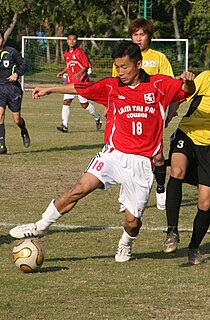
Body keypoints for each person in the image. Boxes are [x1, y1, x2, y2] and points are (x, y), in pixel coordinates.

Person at [9, 41, 195, 263]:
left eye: (125, 67)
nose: (121, 72)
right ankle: (40, 226)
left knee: (132, 222)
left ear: (139, 64)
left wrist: (188, 82)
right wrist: (50, 89)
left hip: (142, 164)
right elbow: (81, 87)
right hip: (113, 154)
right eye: (118, 67)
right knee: (79, 188)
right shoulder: (111, 86)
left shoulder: (159, 85)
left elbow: (185, 91)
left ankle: (126, 242)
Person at [112, 18, 176, 211]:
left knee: (157, 156)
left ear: (149, 36)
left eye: (142, 34)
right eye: (135, 34)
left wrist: (171, 110)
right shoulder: (124, 57)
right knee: (126, 154)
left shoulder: (159, 58)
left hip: (151, 114)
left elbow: (170, 86)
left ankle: (160, 189)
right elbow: (115, 88)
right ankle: (127, 192)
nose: (138, 38)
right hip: (127, 114)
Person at [163, 70, 210, 265]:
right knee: (177, 171)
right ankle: (172, 231)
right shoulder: (206, 77)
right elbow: (184, 93)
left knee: (205, 203)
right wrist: (172, 109)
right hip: (188, 134)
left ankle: (194, 248)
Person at [56, 30, 102, 133]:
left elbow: (86, 65)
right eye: (69, 39)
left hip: (81, 82)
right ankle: (65, 125)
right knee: (66, 101)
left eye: (74, 39)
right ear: (67, 41)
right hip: (70, 81)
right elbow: (69, 66)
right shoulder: (66, 53)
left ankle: (97, 117)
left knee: (84, 104)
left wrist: (78, 74)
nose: (71, 41)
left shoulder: (80, 52)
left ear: (76, 41)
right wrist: (62, 72)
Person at [0, 31, 30, 154]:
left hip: (13, 89)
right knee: (0, 116)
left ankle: (23, 130)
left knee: (16, 119)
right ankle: (2, 146)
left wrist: (17, 74)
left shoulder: (11, 52)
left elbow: (24, 64)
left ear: (3, 39)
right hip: (0, 89)